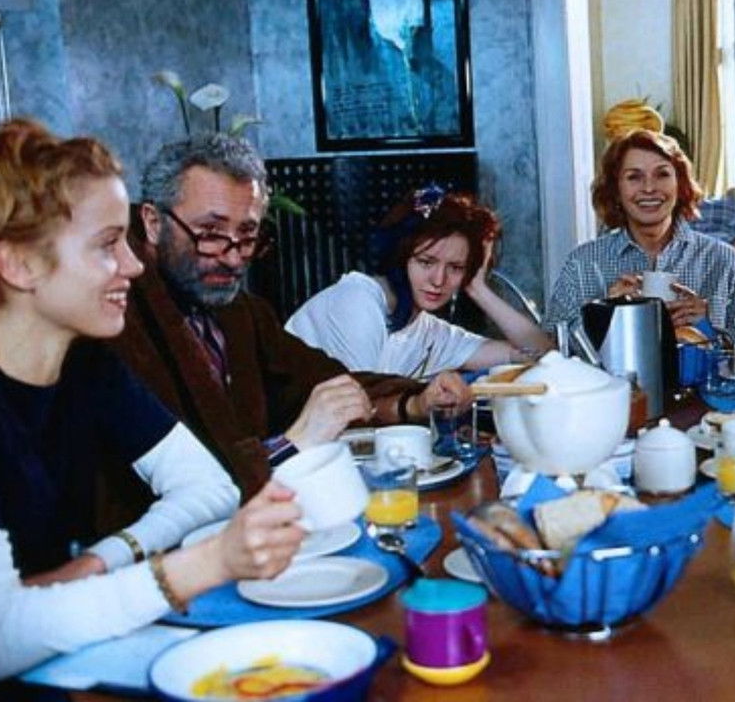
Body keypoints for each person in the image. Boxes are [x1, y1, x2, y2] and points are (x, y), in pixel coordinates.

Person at [0, 120, 304, 698]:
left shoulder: (85, 364)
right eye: (108, 245)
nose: (133, 264)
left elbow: (211, 489)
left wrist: (104, 560)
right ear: (17, 263)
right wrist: (207, 563)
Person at [103, 134, 469, 533]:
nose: (232, 257)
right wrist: (294, 443)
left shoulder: (240, 312)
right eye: (210, 233)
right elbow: (164, 492)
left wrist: (413, 403)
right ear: (153, 223)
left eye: (247, 236)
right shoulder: (117, 326)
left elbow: (321, 380)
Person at [285, 186, 551, 375]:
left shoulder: (429, 332)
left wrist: (478, 288)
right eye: (426, 262)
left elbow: (542, 354)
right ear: (402, 258)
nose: (438, 280)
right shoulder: (356, 301)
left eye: (455, 268)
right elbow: (361, 406)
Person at [543, 129, 735, 342]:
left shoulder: (724, 261)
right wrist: (604, 315)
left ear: (680, 185)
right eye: (634, 177)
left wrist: (709, 325)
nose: (649, 188)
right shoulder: (584, 263)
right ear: (615, 190)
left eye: (662, 174)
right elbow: (552, 346)